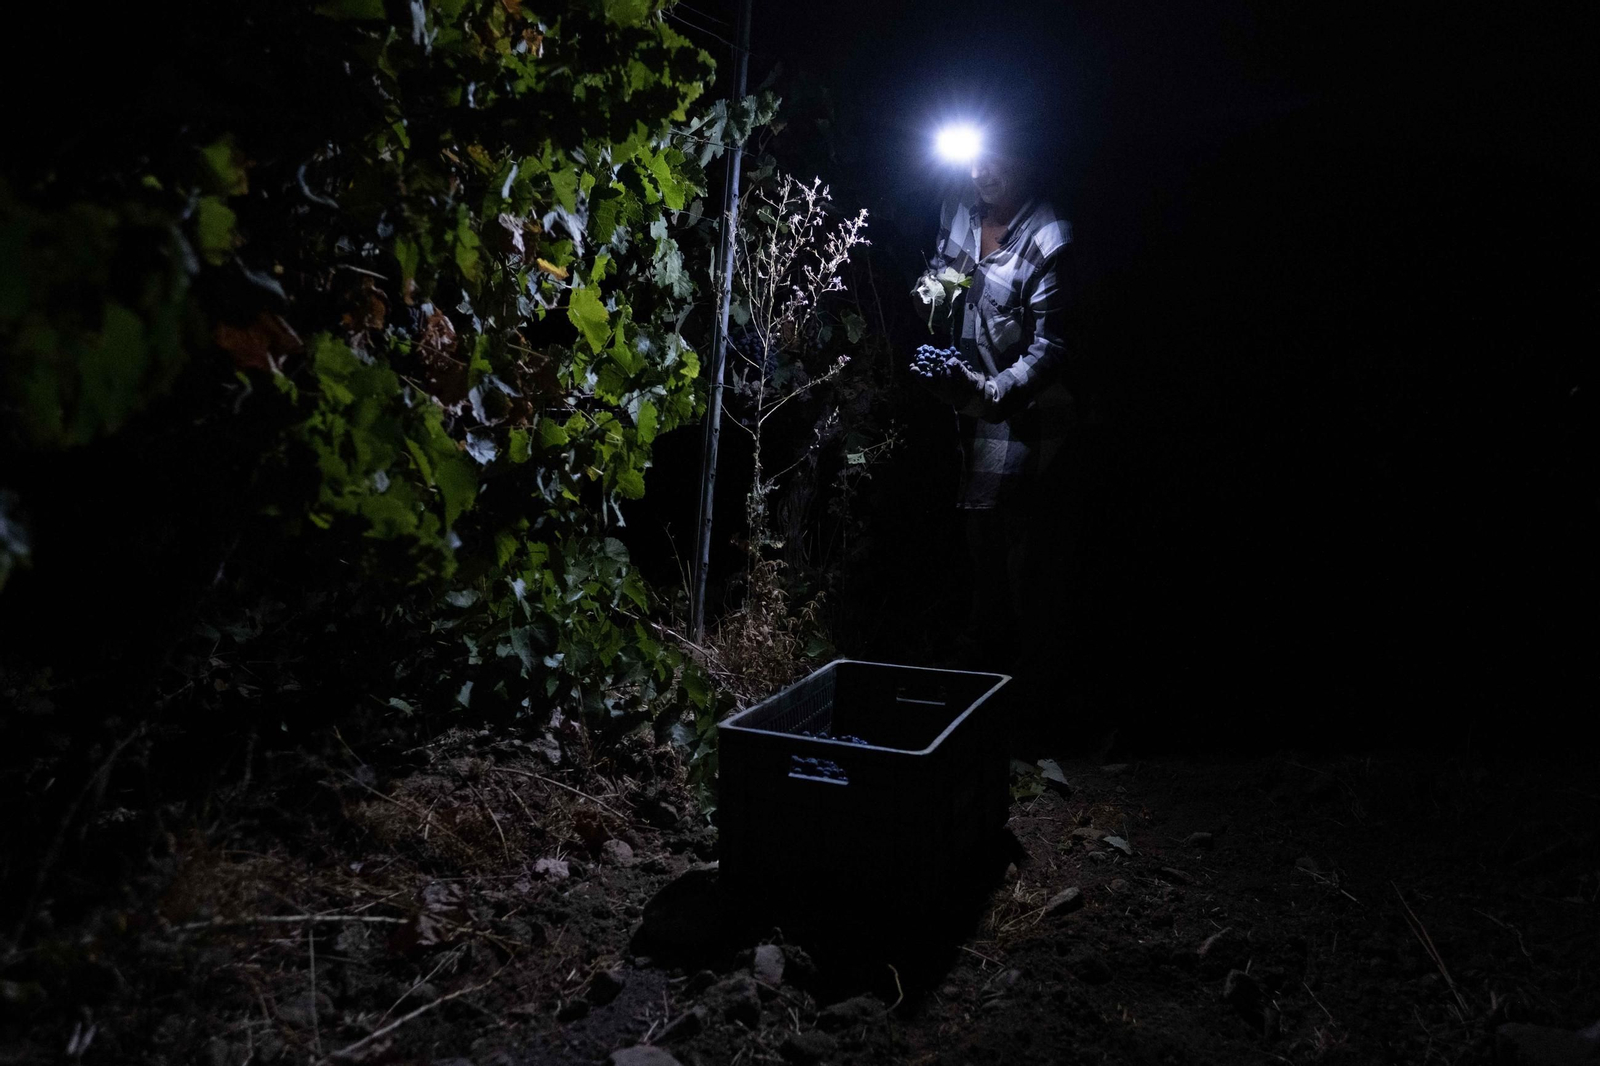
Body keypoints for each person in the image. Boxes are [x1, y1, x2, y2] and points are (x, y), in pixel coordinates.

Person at [918, 124, 1086, 746]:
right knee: (980, 561)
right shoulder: (960, 210)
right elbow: (942, 270)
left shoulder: (1051, 238)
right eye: (973, 161)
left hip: (1033, 432)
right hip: (973, 424)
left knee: (1029, 574)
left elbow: (1054, 347)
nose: (979, 174)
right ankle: (986, 714)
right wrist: (930, 293)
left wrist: (992, 392)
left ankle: (1045, 720)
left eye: (996, 161)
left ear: (1029, 157)